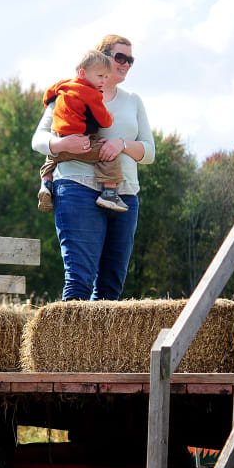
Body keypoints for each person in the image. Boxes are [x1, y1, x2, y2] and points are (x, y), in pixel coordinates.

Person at [31, 34, 155, 301]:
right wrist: (64, 143)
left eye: (130, 60)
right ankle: (66, 343)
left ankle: (102, 345)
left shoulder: (133, 100)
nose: (125, 64)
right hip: (77, 188)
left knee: (111, 288)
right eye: (119, 57)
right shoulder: (68, 92)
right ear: (102, 57)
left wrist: (121, 144)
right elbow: (38, 139)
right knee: (80, 282)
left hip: (124, 194)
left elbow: (149, 152)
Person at [37, 50, 126, 213]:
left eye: (106, 77)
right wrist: (110, 117)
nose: (103, 81)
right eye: (100, 76)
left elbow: (49, 93)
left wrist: (48, 103)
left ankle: (46, 183)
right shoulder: (92, 95)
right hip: (82, 144)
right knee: (109, 154)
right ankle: (109, 193)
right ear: (83, 73)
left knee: (50, 157)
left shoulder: (64, 85)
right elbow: (104, 121)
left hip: (60, 141)